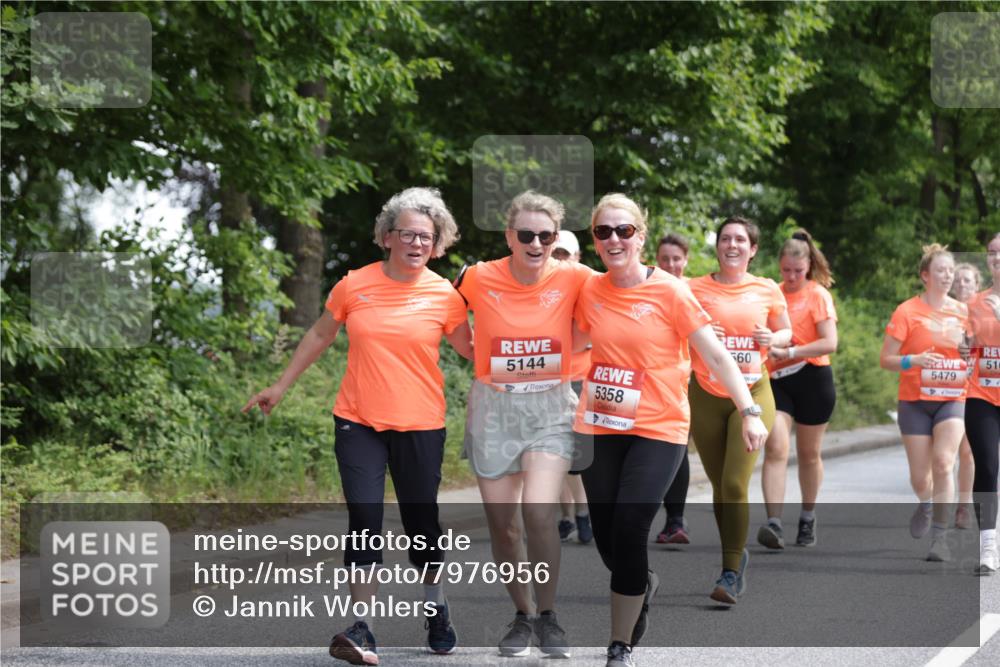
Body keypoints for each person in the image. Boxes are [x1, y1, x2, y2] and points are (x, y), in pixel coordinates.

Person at [243, 188, 473, 666]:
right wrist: (280, 385)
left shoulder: (444, 295)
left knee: (422, 527)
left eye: (426, 237)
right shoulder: (354, 285)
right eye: (408, 233)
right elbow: (321, 333)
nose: (417, 243)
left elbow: (475, 351)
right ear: (387, 236)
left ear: (437, 244)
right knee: (364, 522)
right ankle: (362, 627)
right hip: (358, 421)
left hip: (421, 424)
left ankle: (436, 608)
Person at [572, 196, 768, 667]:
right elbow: (565, 338)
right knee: (604, 534)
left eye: (623, 231)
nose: (614, 240)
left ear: (640, 236)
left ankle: (619, 644)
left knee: (631, 524)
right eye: (603, 232)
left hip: (659, 426)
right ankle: (642, 583)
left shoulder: (671, 292)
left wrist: (749, 409)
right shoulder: (589, 289)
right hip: (601, 422)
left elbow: (717, 355)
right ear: (595, 240)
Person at [456, 190, 592, 659]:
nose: (537, 244)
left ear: (556, 238)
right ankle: (523, 615)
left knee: (538, 513)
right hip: (493, 409)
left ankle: (549, 616)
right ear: (510, 236)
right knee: (503, 526)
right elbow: (436, 307)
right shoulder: (476, 277)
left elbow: (622, 295)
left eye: (546, 235)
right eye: (527, 235)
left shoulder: (574, 276)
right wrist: (474, 355)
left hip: (551, 408)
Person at [688, 216, 791, 604]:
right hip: (706, 394)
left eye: (740, 240)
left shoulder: (766, 289)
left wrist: (773, 337)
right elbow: (676, 327)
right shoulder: (693, 287)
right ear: (718, 246)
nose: (732, 245)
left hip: (753, 393)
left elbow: (786, 332)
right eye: (726, 238)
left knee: (734, 484)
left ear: (753, 249)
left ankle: (730, 571)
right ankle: (734, 552)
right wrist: (697, 334)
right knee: (719, 486)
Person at [880, 244, 968, 562]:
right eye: (941, 271)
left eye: (951, 271)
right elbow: (886, 359)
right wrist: (912, 360)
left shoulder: (963, 312)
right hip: (914, 401)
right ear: (925, 276)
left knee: (944, 462)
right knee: (920, 477)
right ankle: (926, 503)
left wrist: (970, 355)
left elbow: (976, 350)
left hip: (952, 398)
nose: (947, 276)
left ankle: (940, 540)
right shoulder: (907, 312)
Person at [756, 229, 838, 549]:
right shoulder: (771, 293)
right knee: (775, 447)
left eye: (798, 271)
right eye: (786, 270)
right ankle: (774, 523)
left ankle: (807, 515)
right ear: (779, 266)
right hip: (778, 382)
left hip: (813, 378)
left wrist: (790, 352)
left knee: (808, 454)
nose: (791, 277)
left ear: (808, 268)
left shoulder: (818, 295)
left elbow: (829, 342)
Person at [552, 230, 594, 545]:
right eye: (556, 254)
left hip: (583, 381)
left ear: (577, 257)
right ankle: (569, 516)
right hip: (548, 381)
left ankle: (582, 511)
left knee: (576, 460)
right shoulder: (538, 291)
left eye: (565, 254)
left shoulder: (589, 288)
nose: (560, 260)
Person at [653, 233, 694, 545]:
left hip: (691, 382)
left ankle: (675, 520)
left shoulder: (694, 291)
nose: (670, 264)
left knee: (677, 451)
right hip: (653, 384)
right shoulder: (649, 289)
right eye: (665, 259)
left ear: (686, 260)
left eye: (676, 259)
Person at [965, 233, 1000, 573]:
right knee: (988, 466)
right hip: (982, 395)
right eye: (991, 253)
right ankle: (988, 546)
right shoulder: (974, 303)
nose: (997, 258)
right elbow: (965, 345)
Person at [951, 262, 982, 530]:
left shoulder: (984, 313)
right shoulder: (942, 312)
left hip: (975, 388)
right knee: (945, 455)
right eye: (958, 281)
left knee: (968, 452)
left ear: (977, 285)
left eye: (967, 281)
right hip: (946, 389)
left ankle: (963, 507)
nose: (962, 285)